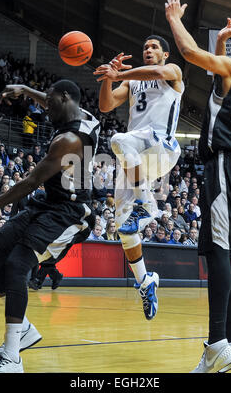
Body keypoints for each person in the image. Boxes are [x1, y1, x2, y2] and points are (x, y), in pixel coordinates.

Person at [0, 79, 100, 373]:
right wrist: (27, 91)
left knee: (17, 265)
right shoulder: (86, 118)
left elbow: (29, 183)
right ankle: (23, 328)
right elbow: (51, 99)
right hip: (49, 202)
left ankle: (12, 358)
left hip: (70, 212)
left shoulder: (69, 140)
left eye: (49, 102)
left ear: (65, 98)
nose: (44, 108)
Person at [166, 0, 231, 372]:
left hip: (224, 164)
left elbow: (190, 54)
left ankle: (217, 342)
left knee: (216, 251)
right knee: (225, 252)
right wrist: (223, 39)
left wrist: (175, 19)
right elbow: (215, 75)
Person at [94, 34, 184, 320]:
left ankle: (149, 205)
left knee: (117, 140)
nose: (148, 50)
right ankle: (146, 282)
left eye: (154, 47)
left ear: (165, 54)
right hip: (135, 157)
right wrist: (110, 77)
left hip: (161, 147)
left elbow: (157, 72)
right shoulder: (132, 82)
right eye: (145, 47)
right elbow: (106, 106)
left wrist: (119, 72)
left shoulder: (172, 73)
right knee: (123, 227)